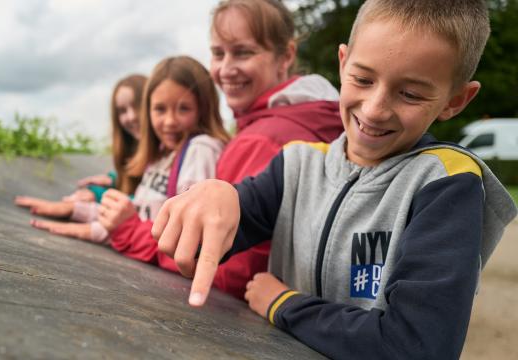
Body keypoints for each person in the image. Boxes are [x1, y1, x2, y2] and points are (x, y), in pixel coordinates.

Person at [152, 0, 518, 358]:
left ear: (456, 100)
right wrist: (214, 198)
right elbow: (217, 235)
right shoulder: (296, 162)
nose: (374, 110)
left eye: (410, 94)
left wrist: (282, 303)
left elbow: (416, 345)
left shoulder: (447, 184)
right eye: (362, 78)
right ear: (342, 64)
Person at [111, 0, 344, 299]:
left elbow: (228, 267)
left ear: (285, 56)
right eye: (218, 53)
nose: (226, 69)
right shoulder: (310, 115)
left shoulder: (262, 139)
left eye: (243, 52)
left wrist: (128, 231)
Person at [34, 56, 229, 244]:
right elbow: (143, 211)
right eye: (160, 109)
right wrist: (78, 210)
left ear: (203, 108)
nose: (170, 121)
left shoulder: (200, 149)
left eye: (183, 108)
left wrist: (93, 228)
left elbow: (181, 232)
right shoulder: (162, 153)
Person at [14, 74, 145, 233]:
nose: (131, 117)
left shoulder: (166, 154)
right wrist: (112, 180)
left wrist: (97, 197)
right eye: (122, 111)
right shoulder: (132, 149)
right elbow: (139, 181)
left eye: (137, 106)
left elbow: (148, 203)